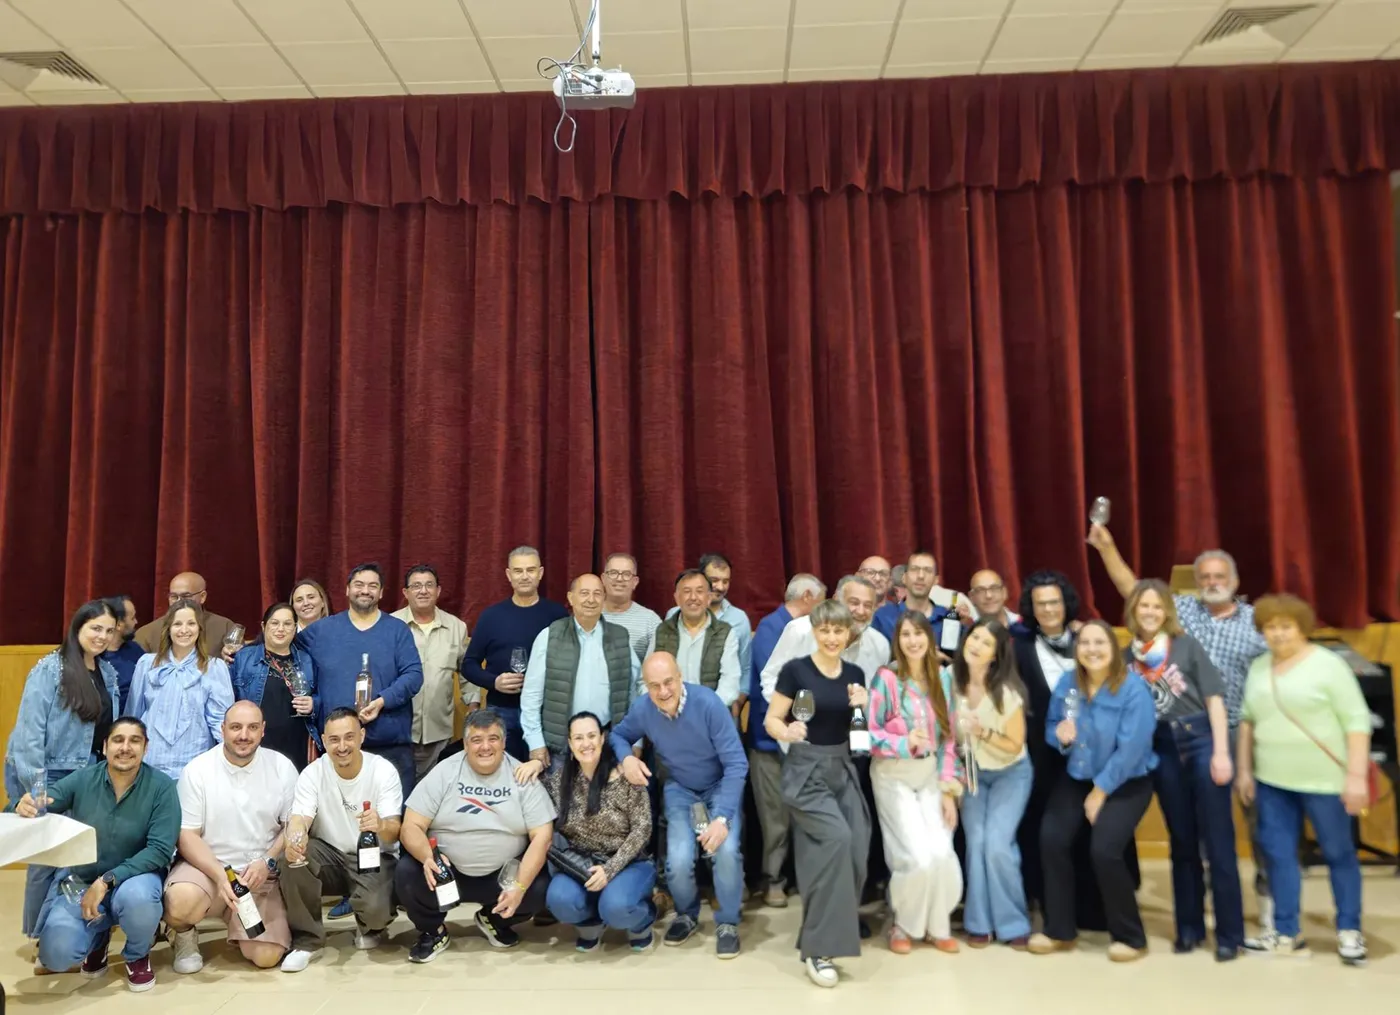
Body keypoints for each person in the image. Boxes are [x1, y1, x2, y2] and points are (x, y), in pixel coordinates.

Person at [1088, 527, 1272, 925]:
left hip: (1237, 728)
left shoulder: (1258, 621)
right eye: (1204, 577)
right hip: (1172, 735)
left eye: (1219, 577)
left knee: (1259, 820)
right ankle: (1195, 908)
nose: (1211, 583)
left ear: (1235, 582)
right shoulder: (1184, 612)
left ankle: (1271, 903)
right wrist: (1106, 547)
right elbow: (1134, 590)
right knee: (1187, 832)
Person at [1235, 594, 1372, 965]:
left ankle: (1349, 930)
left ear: (1302, 628)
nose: (1277, 634)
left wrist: (1357, 777)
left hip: (1325, 782)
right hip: (1272, 781)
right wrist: (1244, 770)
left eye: (1285, 626)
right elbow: (1248, 720)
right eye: (1269, 628)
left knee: (1339, 853)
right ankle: (1285, 931)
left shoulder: (1329, 666)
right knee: (1279, 856)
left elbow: (1357, 723)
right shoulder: (1260, 667)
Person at [8, 717, 180, 992]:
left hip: (135, 878)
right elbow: (41, 803)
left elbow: (159, 851)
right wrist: (21, 804)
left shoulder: (162, 787)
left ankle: (137, 956)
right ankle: (97, 939)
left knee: (138, 901)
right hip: (82, 880)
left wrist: (107, 880)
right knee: (56, 954)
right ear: (105, 746)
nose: (126, 747)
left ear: (146, 748)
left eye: (135, 740)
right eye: (118, 740)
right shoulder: (83, 778)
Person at [1119, 578, 1241, 960]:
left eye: (1157, 606)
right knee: (1181, 841)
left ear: (1166, 611)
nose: (1150, 612)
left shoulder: (1186, 646)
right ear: (1133, 612)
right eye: (1144, 606)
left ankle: (1229, 933)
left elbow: (1214, 698)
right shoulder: (1125, 658)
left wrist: (1222, 752)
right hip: (1161, 747)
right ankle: (1189, 928)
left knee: (1218, 841)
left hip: (1201, 738)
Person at [1029, 620, 1157, 963]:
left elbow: (1132, 749)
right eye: (1085, 643)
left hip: (1127, 781)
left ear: (1114, 649)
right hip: (1078, 775)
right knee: (1052, 839)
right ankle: (1059, 929)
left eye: (1100, 642)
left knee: (1105, 849)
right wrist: (1060, 735)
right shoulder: (1068, 684)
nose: (1092, 649)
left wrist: (1100, 792)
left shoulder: (1133, 689)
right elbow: (1052, 726)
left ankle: (1131, 936)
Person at [612, 653, 749, 959]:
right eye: (654, 685)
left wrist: (723, 817)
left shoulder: (708, 703)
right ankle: (686, 914)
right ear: (645, 687)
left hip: (719, 786)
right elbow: (619, 735)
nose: (663, 692)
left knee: (726, 852)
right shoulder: (644, 708)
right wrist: (627, 757)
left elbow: (737, 764)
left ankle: (727, 923)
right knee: (677, 859)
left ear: (680, 676)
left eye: (668, 682)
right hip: (681, 788)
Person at [764, 600, 871, 988]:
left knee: (857, 845)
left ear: (848, 634)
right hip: (805, 771)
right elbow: (771, 719)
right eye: (825, 630)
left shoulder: (855, 672)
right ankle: (818, 949)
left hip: (842, 769)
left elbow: (858, 731)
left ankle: (825, 932)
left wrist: (862, 708)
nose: (831, 637)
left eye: (838, 631)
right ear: (815, 631)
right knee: (837, 841)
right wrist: (787, 731)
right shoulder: (796, 671)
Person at [396, 709, 555, 961]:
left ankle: (495, 920)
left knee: (542, 883)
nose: (485, 747)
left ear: (503, 742)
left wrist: (520, 886)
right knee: (406, 871)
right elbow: (410, 826)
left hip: (502, 877)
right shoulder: (444, 772)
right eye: (476, 740)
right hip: (446, 874)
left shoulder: (521, 775)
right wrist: (427, 857)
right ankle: (434, 931)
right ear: (465, 743)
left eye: (493, 738)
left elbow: (543, 836)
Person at [4, 600, 120, 940]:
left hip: (88, 774)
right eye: (95, 628)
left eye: (108, 630)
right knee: (46, 858)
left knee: (74, 855)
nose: (101, 636)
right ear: (77, 628)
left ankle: (64, 930)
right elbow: (28, 733)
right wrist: (34, 786)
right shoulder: (50, 669)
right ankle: (37, 935)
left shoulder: (107, 672)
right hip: (47, 774)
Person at [163, 702, 298, 973]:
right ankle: (184, 935)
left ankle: (240, 927)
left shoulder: (281, 767)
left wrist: (268, 861)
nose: (243, 735)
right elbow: (187, 835)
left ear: (263, 731)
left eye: (252, 728)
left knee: (266, 958)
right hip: (209, 870)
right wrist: (218, 873)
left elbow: (293, 826)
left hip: (258, 875)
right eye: (235, 727)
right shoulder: (197, 770)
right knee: (180, 902)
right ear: (222, 730)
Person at [516, 711, 655, 951]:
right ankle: (591, 922)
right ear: (570, 744)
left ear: (603, 738)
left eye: (592, 736)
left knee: (617, 906)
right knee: (559, 900)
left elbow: (642, 830)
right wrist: (538, 762)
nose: (586, 743)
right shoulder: (561, 780)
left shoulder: (627, 777)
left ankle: (641, 922)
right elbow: (532, 796)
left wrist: (609, 871)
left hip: (627, 863)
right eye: (578, 738)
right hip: (579, 865)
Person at [278, 708, 403, 972]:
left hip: (374, 856)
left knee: (376, 911)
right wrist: (295, 840)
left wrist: (380, 824)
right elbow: (301, 817)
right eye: (334, 740)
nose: (342, 746)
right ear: (324, 741)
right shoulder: (313, 773)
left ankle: (368, 923)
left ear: (362, 736)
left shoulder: (383, 771)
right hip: (330, 855)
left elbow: (395, 828)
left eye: (349, 737)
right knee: (292, 860)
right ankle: (307, 941)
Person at [868, 612, 963, 954]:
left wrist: (949, 790)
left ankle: (937, 925)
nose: (913, 641)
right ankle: (904, 924)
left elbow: (951, 740)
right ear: (898, 640)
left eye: (918, 633)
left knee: (941, 854)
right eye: (906, 634)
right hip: (894, 774)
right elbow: (867, 737)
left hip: (931, 777)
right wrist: (904, 742)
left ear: (929, 638)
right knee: (915, 857)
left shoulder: (945, 679)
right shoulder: (887, 679)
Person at [295, 562, 424, 796]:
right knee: (340, 824)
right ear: (346, 589)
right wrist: (234, 654)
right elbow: (280, 648)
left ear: (381, 592)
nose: (365, 590)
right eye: (359, 585)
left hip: (390, 745)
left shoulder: (397, 630)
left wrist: (382, 701)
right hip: (338, 747)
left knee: (391, 824)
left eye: (372, 586)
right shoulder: (321, 631)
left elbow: (414, 675)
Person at [1011, 570, 1092, 918]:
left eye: (1054, 602)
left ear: (1066, 604)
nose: (1047, 609)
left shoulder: (1087, 640)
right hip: (1039, 753)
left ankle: (1090, 906)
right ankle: (1043, 899)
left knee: (1088, 825)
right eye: (1040, 604)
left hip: (1090, 750)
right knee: (1039, 825)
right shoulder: (1020, 645)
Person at [953, 618, 1033, 948]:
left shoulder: (1008, 693)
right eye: (974, 638)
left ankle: (1013, 924)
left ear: (996, 655)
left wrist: (982, 732)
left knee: (998, 845)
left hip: (1010, 775)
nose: (976, 646)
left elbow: (1014, 745)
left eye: (986, 643)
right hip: (972, 775)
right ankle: (979, 923)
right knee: (976, 844)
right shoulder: (951, 682)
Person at [748, 573, 826, 908]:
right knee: (775, 817)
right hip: (771, 743)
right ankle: (773, 880)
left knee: (803, 814)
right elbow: (777, 682)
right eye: (821, 599)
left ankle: (799, 877)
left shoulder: (812, 629)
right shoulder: (773, 627)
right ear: (808, 596)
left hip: (806, 741)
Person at [521, 573, 640, 769]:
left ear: (604, 598)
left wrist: (635, 741)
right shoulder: (550, 636)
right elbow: (532, 694)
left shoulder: (620, 637)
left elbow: (634, 692)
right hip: (560, 747)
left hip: (607, 743)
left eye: (597, 594)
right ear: (570, 598)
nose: (591, 600)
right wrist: (535, 743)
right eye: (584, 593)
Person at [462, 546, 570, 760]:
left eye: (530, 570)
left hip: (546, 714)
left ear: (540, 573)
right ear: (509, 575)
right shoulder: (491, 616)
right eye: (518, 571)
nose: (524, 576)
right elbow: (469, 664)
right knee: (503, 775)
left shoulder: (558, 615)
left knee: (544, 777)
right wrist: (494, 682)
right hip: (501, 711)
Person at [127, 598, 235, 781]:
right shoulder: (146, 663)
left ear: (200, 629)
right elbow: (133, 714)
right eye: (177, 624)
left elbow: (220, 721)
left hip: (195, 762)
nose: (184, 630)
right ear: (168, 629)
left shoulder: (215, 667)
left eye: (191, 623)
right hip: (149, 760)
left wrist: (229, 759)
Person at [390, 564, 470, 778]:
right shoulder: (390, 625)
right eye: (416, 586)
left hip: (439, 730)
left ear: (438, 591)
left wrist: (473, 705)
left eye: (429, 585)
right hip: (399, 730)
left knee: (433, 794)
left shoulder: (456, 627)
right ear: (405, 593)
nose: (423, 591)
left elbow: (467, 671)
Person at [760, 575, 890, 697]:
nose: (861, 611)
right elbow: (771, 678)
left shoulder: (880, 645)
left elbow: (878, 697)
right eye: (854, 603)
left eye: (868, 606)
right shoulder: (800, 631)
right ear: (836, 600)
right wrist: (793, 712)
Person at [230, 603, 319, 771]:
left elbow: (321, 695)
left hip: (297, 744)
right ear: (264, 626)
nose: (281, 629)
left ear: (295, 628)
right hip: (257, 743)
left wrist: (313, 703)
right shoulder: (244, 658)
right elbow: (229, 699)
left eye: (287, 624)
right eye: (275, 623)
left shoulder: (307, 660)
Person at [647, 569, 742, 707]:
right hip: (668, 715)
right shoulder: (663, 631)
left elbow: (730, 682)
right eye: (686, 591)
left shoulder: (725, 633)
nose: (693, 597)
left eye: (699, 591)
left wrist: (705, 712)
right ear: (677, 598)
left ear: (709, 598)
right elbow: (647, 677)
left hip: (711, 716)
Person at [667, 553, 753, 679]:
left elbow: (745, 668)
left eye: (725, 581)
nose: (721, 587)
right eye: (714, 581)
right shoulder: (674, 614)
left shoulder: (739, 619)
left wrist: (739, 698)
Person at [133, 572, 239, 653]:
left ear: (202, 597)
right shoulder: (147, 633)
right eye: (174, 597)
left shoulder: (224, 627)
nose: (179, 602)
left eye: (186, 596)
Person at [871, 551, 954, 642]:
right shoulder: (883, 616)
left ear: (936, 580)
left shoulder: (948, 618)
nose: (920, 576)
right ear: (904, 578)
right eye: (914, 569)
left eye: (928, 570)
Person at [600, 552, 663, 662]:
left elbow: (655, 669)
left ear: (635, 582)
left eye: (626, 574)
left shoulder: (650, 621)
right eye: (613, 573)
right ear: (603, 579)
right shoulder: (588, 615)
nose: (619, 579)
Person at [101, 595, 145, 712]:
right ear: (119, 624)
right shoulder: (95, 657)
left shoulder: (134, 649)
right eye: (132, 618)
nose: (136, 622)